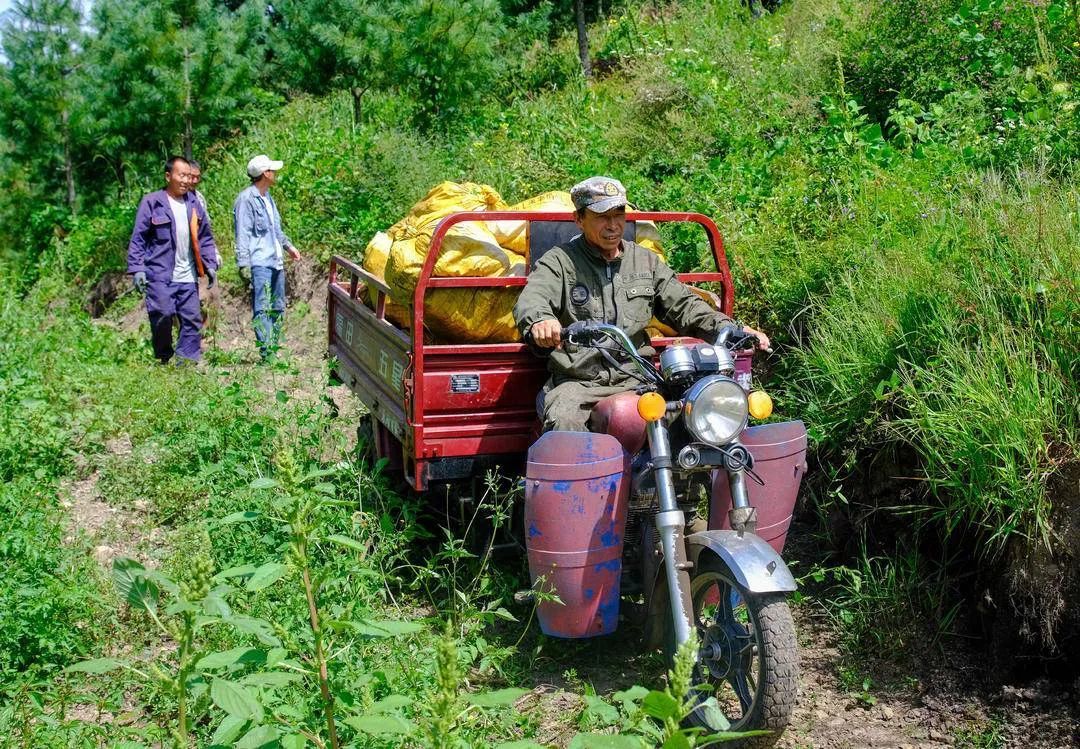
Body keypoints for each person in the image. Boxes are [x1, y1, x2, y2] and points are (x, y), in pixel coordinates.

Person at [513, 176, 771, 432]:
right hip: (580, 383)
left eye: (619, 214)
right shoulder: (559, 262)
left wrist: (731, 328)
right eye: (603, 216)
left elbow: (685, 306)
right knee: (563, 421)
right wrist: (540, 321)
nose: (613, 225)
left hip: (639, 378)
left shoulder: (645, 261)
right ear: (579, 219)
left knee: (699, 414)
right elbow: (533, 298)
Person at [127, 155, 219, 364]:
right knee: (162, 314)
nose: (186, 180)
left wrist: (210, 264)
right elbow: (138, 237)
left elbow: (205, 237)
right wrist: (137, 268)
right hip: (159, 273)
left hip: (187, 274)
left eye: (189, 176)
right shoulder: (152, 202)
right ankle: (164, 356)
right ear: (168, 176)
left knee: (192, 319)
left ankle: (186, 363)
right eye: (182, 175)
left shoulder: (194, 204)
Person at [233, 154, 302, 359]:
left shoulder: (267, 198)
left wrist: (288, 246)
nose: (275, 173)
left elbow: (275, 229)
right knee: (262, 307)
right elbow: (242, 232)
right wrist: (244, 263)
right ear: (265, 174)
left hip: (275, 260)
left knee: (278, 306)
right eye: (273, 170)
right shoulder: (246, 199)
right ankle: (267, 352)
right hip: (259, 262)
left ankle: (273, 346)